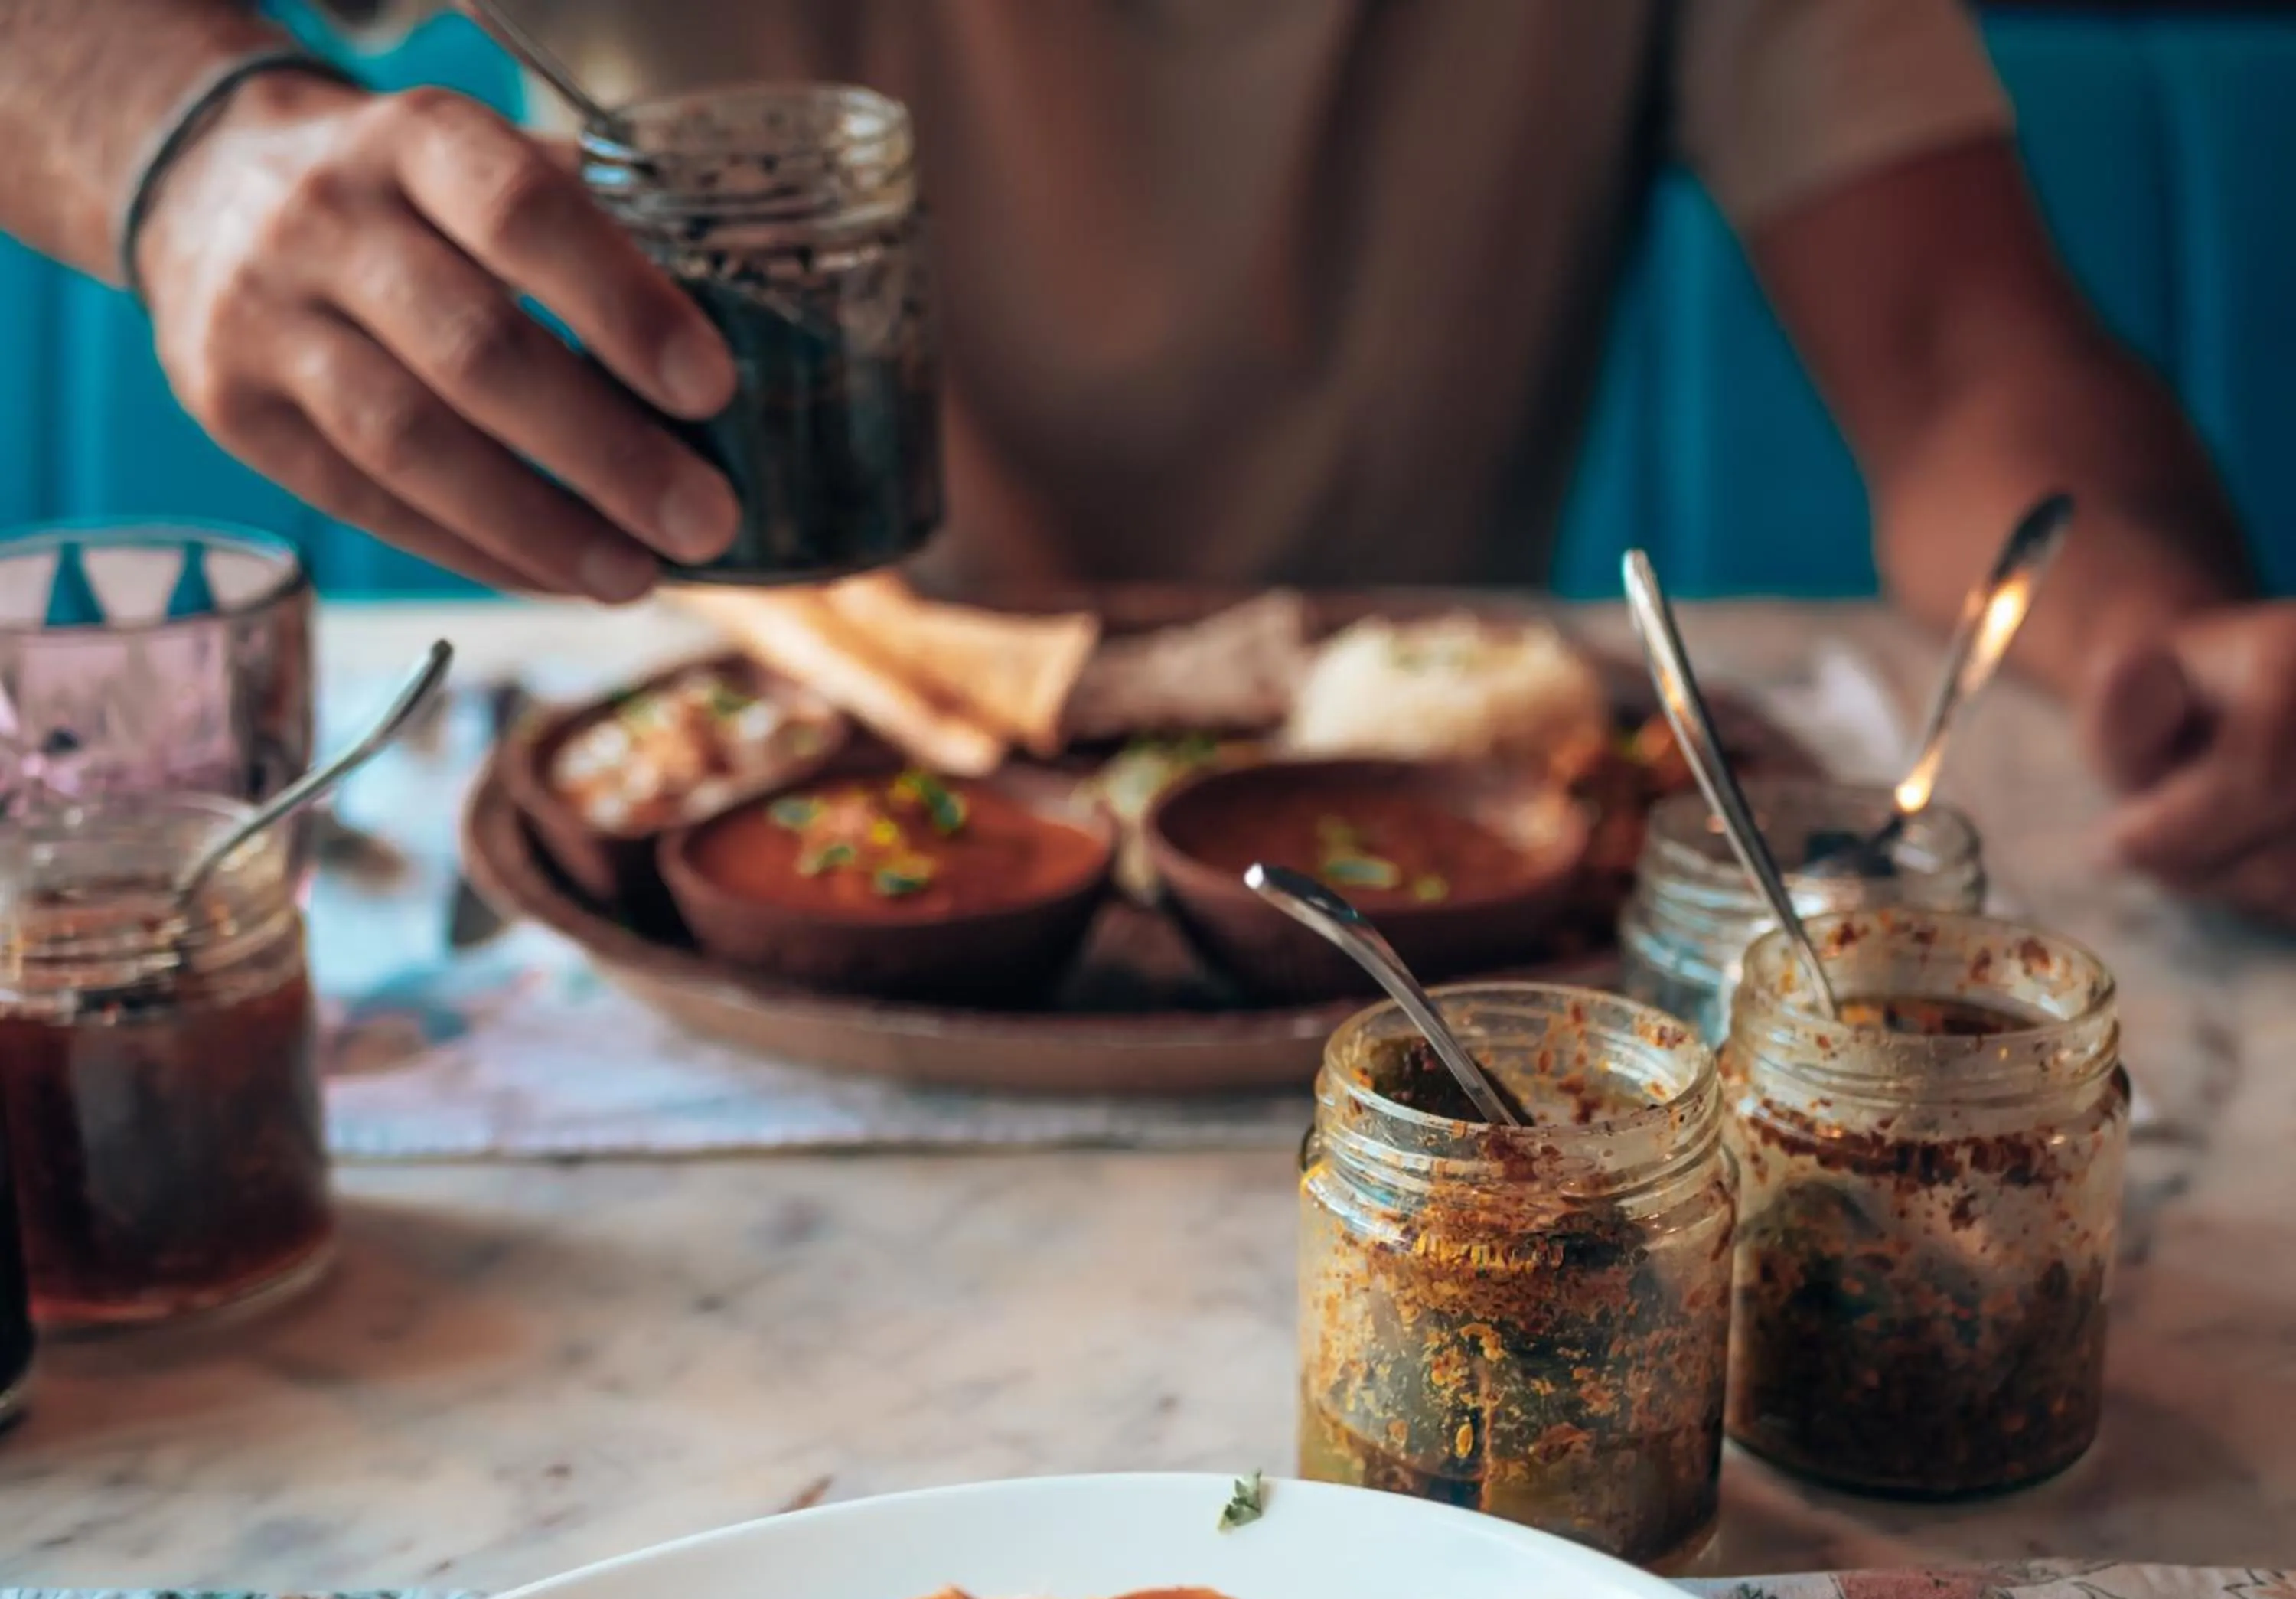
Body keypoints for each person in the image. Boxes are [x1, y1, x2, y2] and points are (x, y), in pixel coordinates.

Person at [2, 0, 2291, 922]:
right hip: (727, 849)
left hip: (1417, 933)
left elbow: (1967, 353)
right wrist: (189, 152)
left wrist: (2174, 648)